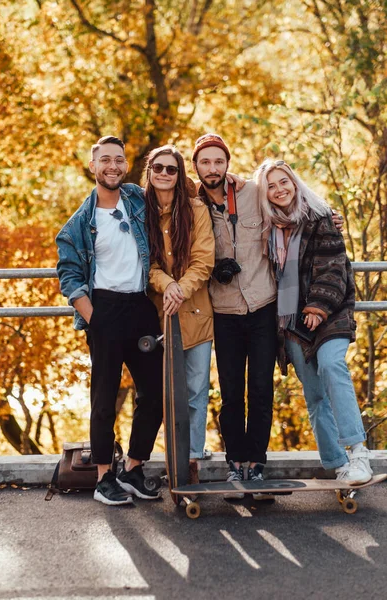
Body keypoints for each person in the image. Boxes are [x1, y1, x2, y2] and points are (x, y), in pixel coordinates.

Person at [56, 135, 163, 506]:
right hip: (104, 310)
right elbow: (69, 276)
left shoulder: (137, 198)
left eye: (119, 159)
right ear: (93, 166)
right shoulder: (78, 224)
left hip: (141, 307)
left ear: (125, 165)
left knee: (154, 394)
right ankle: (104, 478)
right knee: (104, 398)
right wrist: (94, 318)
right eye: (105, 160)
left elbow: (180, 193)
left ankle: (133, 468)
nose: (113, 166)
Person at [256, 158, 372, 484]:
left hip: (329, 315)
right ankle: (339, 466)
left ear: (294, 182)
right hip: (290, 323)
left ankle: (359, 453)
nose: (279, 190)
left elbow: (334, 268)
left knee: (333, 366)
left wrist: (319, 306)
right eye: (271, 185)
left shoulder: (321, 217)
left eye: (284, 182)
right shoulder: (266, 228)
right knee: (315, 397)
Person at [191, 134, 278, 497]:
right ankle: (235, 463)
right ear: (195, 166)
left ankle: (257, 462)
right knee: (230, 394)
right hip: (223, 312)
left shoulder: (253, 191)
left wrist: (330, 217)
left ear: (227, 163)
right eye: (205, 162)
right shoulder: (190, 203)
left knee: (261, 387)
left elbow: (291, 206)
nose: (213, 168)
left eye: (218, 161)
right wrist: (213, 269)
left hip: (262, 306)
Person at [146, 145, 215, 484]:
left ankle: (192, 460)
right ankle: (170, 458)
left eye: (171, 169)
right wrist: (167, 284)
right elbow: (146, 264)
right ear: (149, 171)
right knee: (163, 393)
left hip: (197, 314)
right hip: (159, 316)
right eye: (158, 168)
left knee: (196, 391)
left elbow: (204, 260)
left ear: (179, 174)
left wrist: (181, 288)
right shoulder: (139, 212)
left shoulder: (196, 210)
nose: (164, 174)